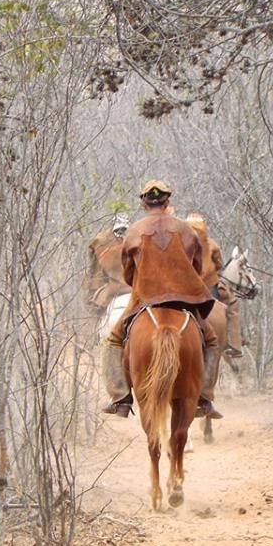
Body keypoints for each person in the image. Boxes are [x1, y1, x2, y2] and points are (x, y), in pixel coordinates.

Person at [101, 179, 223, 419]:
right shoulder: (186, 230)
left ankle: (121, 398)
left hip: (145, 301)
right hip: (183, 302)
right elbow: (197, 267)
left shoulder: (134, 231)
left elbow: (127, 273)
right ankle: (204, 397)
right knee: (211, 341)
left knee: (114, 340)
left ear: (144, 203)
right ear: (167, 201)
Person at [185, 213, 244, 358]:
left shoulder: (179, 244)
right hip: (208, 288)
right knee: (232, 303)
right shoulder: (212, 244)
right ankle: (235, 344)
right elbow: (219, 265)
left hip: (184, 288)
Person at [83, 213, 130, 315]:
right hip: (137, 289)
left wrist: (93, 288)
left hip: (114, 289)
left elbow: (96, 274)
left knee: (95, 310)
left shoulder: (101, 241)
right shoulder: (137, 239)